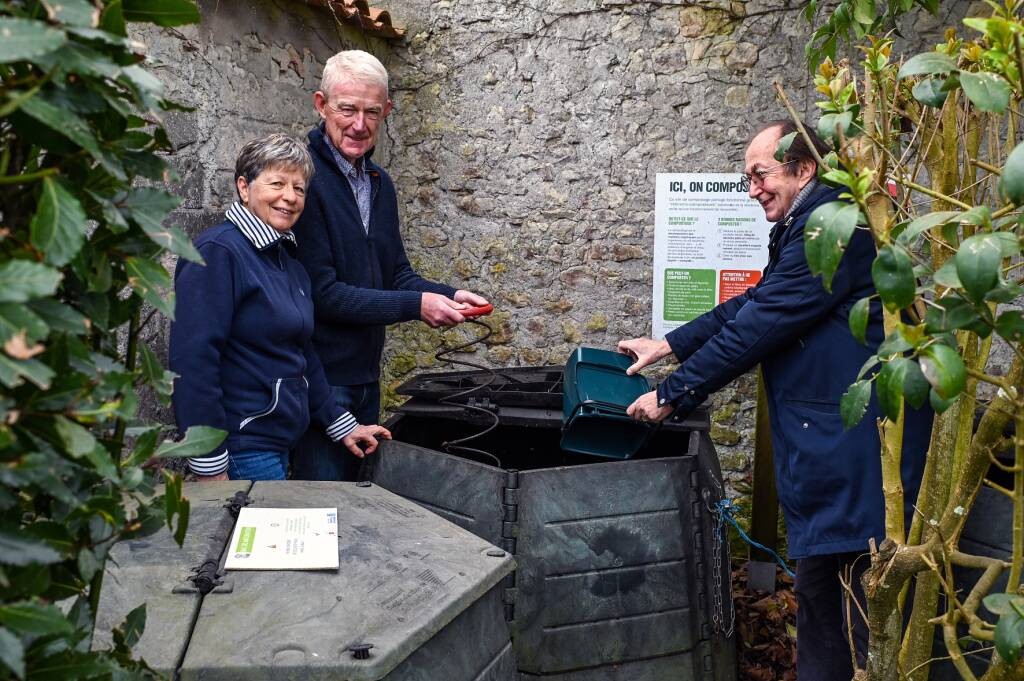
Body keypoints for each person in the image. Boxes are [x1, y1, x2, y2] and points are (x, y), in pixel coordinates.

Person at [617, 120, 931, 680]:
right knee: (824, 602)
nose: (753, 187)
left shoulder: (830, 229)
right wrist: (667, 344)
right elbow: (757, 301)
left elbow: (760, 325)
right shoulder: (813, 220)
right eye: (748, 178)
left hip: (857, 459)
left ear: (803, 168)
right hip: (836, 455)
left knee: (856, 612)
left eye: (760, 174)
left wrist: (672, 395)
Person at [291, 50, 488, 481]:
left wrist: (448, 293)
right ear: (321, 104)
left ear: (387, 112)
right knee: (325, 506)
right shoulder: (302, 180)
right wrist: (417, 305)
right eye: (347, 109)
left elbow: (395, 273)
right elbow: (323, 295)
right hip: (319, 383)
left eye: (371, 112)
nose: (359, 124)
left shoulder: (379, 182)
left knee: (362, 505)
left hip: (365, 377)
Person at [169, 133, 391, 481]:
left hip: (279, 446)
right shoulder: (218, 252)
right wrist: (208, 463)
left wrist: (342, 425)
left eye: (299, 189)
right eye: (276, 183)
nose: (289, 197)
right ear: (244, 187)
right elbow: (193, 362)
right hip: (242, 452)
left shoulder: (288, 260)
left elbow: (303, 356)